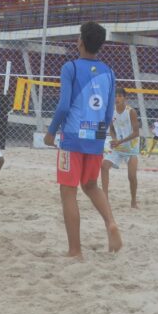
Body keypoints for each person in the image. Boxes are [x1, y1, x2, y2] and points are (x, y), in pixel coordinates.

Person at [44, 22, 123, 258]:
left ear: (80, 41)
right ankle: (110, 222)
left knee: (68, 192)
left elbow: (64, 106)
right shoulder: (109, 73)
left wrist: (51, 132)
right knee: (90, 185)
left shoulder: (71, 68)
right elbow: (109, 114)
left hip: (73, 138)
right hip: (96, 137)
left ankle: (75, 250)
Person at [101, 89, 141, 208]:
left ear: (125, 98)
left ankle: (133, 201)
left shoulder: (131, 112)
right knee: (104, 166)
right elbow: (112, 129)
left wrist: (120, 141)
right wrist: (114, 139)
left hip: (131, 148)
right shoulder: (111, 111)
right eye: (115, 96)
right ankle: (105, 199)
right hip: (118, 146)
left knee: (132, 176)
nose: (117, 98)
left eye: (120, 96)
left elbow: (136, 133)